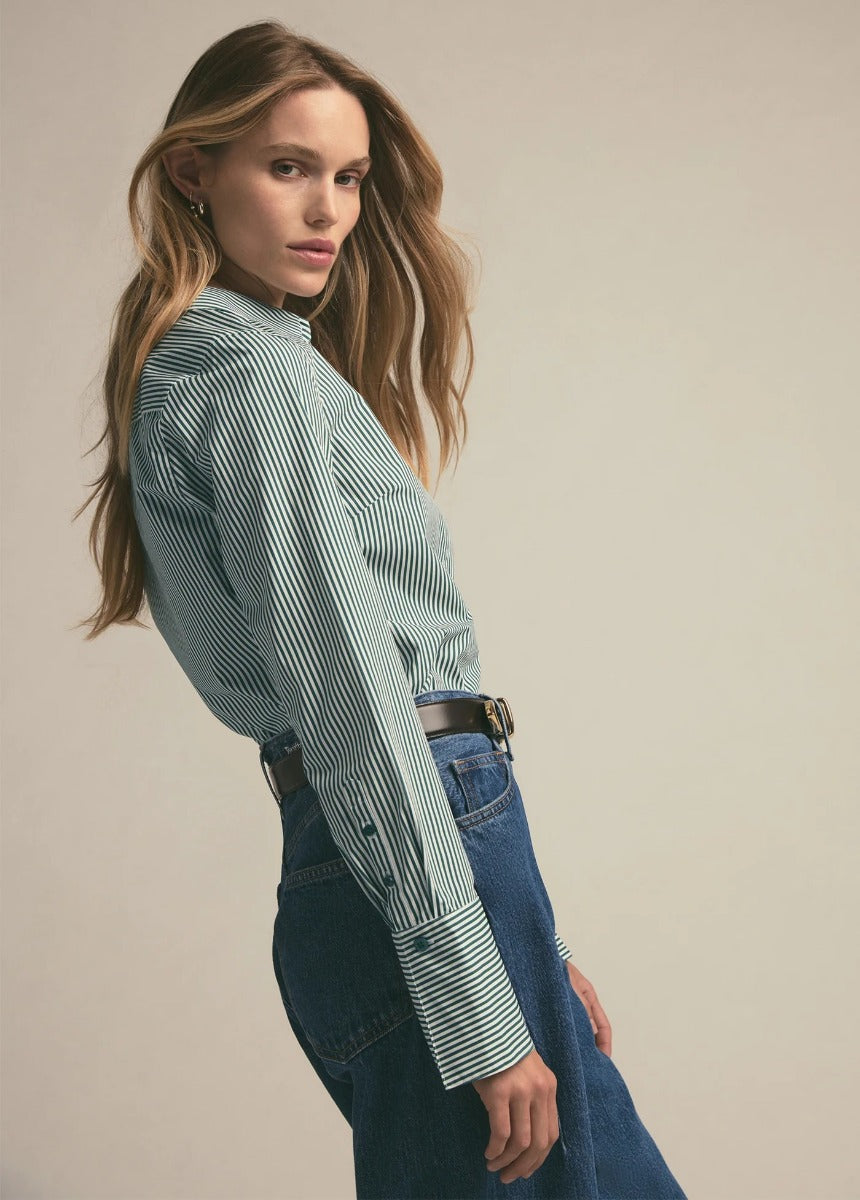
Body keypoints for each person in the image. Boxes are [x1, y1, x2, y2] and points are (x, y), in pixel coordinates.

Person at [76, 19, 688, 1199]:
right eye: (288, 167)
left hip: (429, 858)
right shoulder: (249, 373)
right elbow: (355, 700)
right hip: (414, 858)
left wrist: (530, 944)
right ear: (194, 171)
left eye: (348, 177)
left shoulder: (245, 358)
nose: (329, 210)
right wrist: (476, 996)